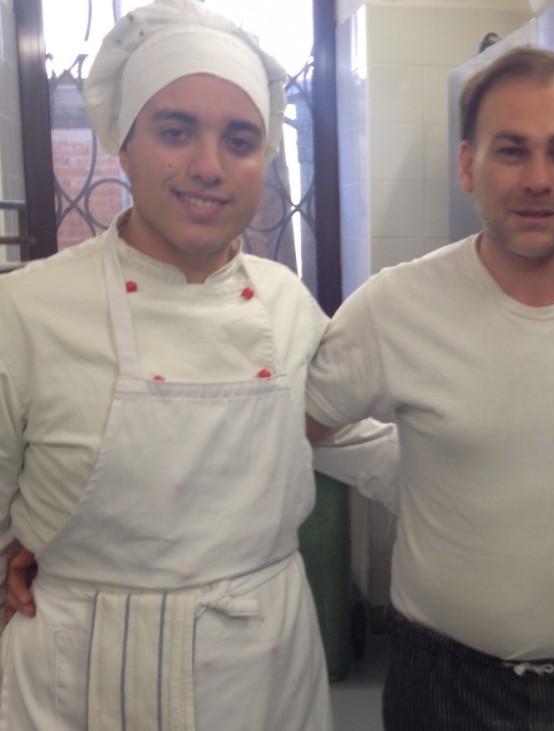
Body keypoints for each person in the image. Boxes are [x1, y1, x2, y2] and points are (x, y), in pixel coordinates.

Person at [0, 1, 397, 728]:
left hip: (263, 671)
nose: (209, 167)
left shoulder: (283, 302)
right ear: (124, 143)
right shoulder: (26, 311)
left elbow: (365, 442)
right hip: (82, 674)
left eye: (240, 139)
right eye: (176, 130)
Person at [306, 47, 554, 730]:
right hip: (443, 684)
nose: (538, 179)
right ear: (468, 163)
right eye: (511, 151)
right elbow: (274, 434)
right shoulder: (394, 306)